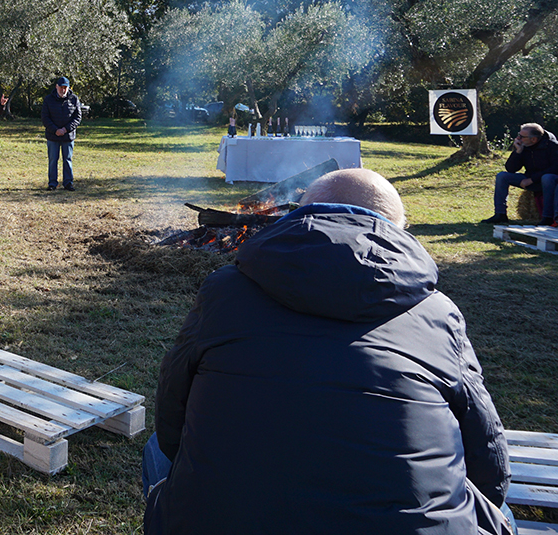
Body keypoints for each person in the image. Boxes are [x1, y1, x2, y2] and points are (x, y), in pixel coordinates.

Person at [144, 168, 513, 535]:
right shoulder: (438, 312)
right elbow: (488, 460)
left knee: (157, 452)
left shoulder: (224, 288)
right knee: (496, 510)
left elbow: (172, 412)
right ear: (399, 228)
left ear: (300, 213)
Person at [482, 122, 558, 225]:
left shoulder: (552, 146)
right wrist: (518, 152)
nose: (518, 138)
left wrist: (532, 179)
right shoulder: (525, 145)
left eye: (522, 137)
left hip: (549, 181)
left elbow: (555, 168)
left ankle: (547, 217)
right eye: (519, 135)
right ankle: (500, 214)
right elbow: (510, 169)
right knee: (502, 176)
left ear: (534, 139)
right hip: (529, 177)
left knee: (547, 178)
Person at [41, 77, 81, 191]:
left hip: (68, 136)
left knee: (67, 160)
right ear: (56, 87)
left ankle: (68, 183)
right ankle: (52, 183)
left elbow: (77, 117)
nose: (63, 90)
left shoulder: (74, 99)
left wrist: (65, 129)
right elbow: (45, 117)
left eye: (65, 87)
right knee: (53, 160)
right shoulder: (48, 99)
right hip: (52, 136)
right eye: (61, 87)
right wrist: (55, 130)